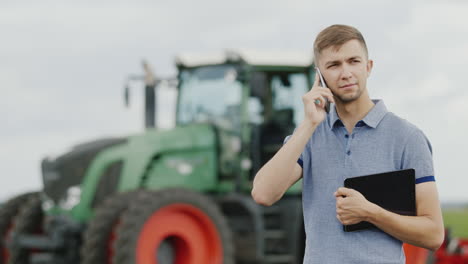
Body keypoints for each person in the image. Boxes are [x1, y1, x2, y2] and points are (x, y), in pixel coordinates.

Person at [251, 24, 444, 263]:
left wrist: (370, 212)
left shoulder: (407, 138)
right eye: (333, 65)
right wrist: (309, 123)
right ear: (319, 75)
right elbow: (262, 193)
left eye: (353, 61)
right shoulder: (309, 135)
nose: (345, 73)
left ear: (368, 66)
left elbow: (434, 234)